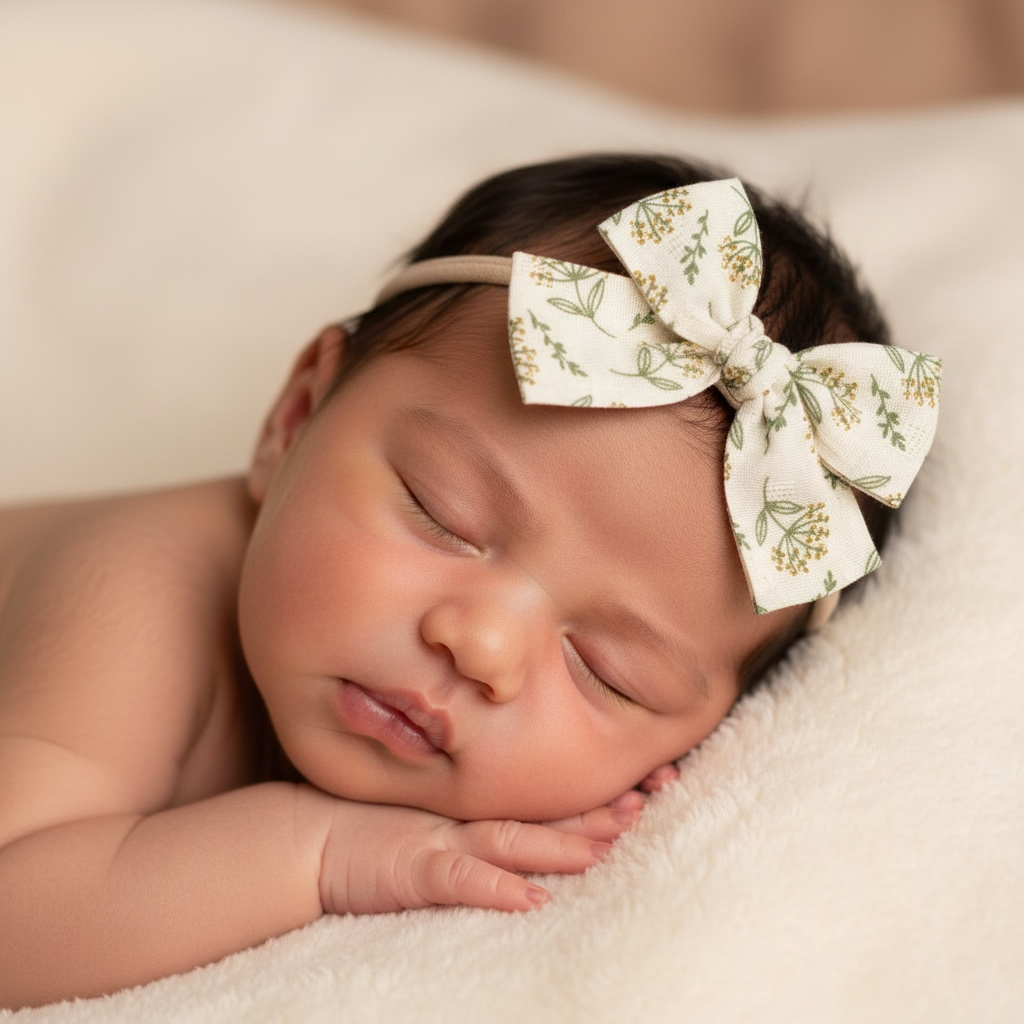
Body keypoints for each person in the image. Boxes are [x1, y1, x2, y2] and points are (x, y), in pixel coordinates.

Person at [0, 154, 939, 1008]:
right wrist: (323, 853)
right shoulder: (136, 588)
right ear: (296, 417)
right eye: (441, 513)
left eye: (608, 672)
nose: (480, 645)